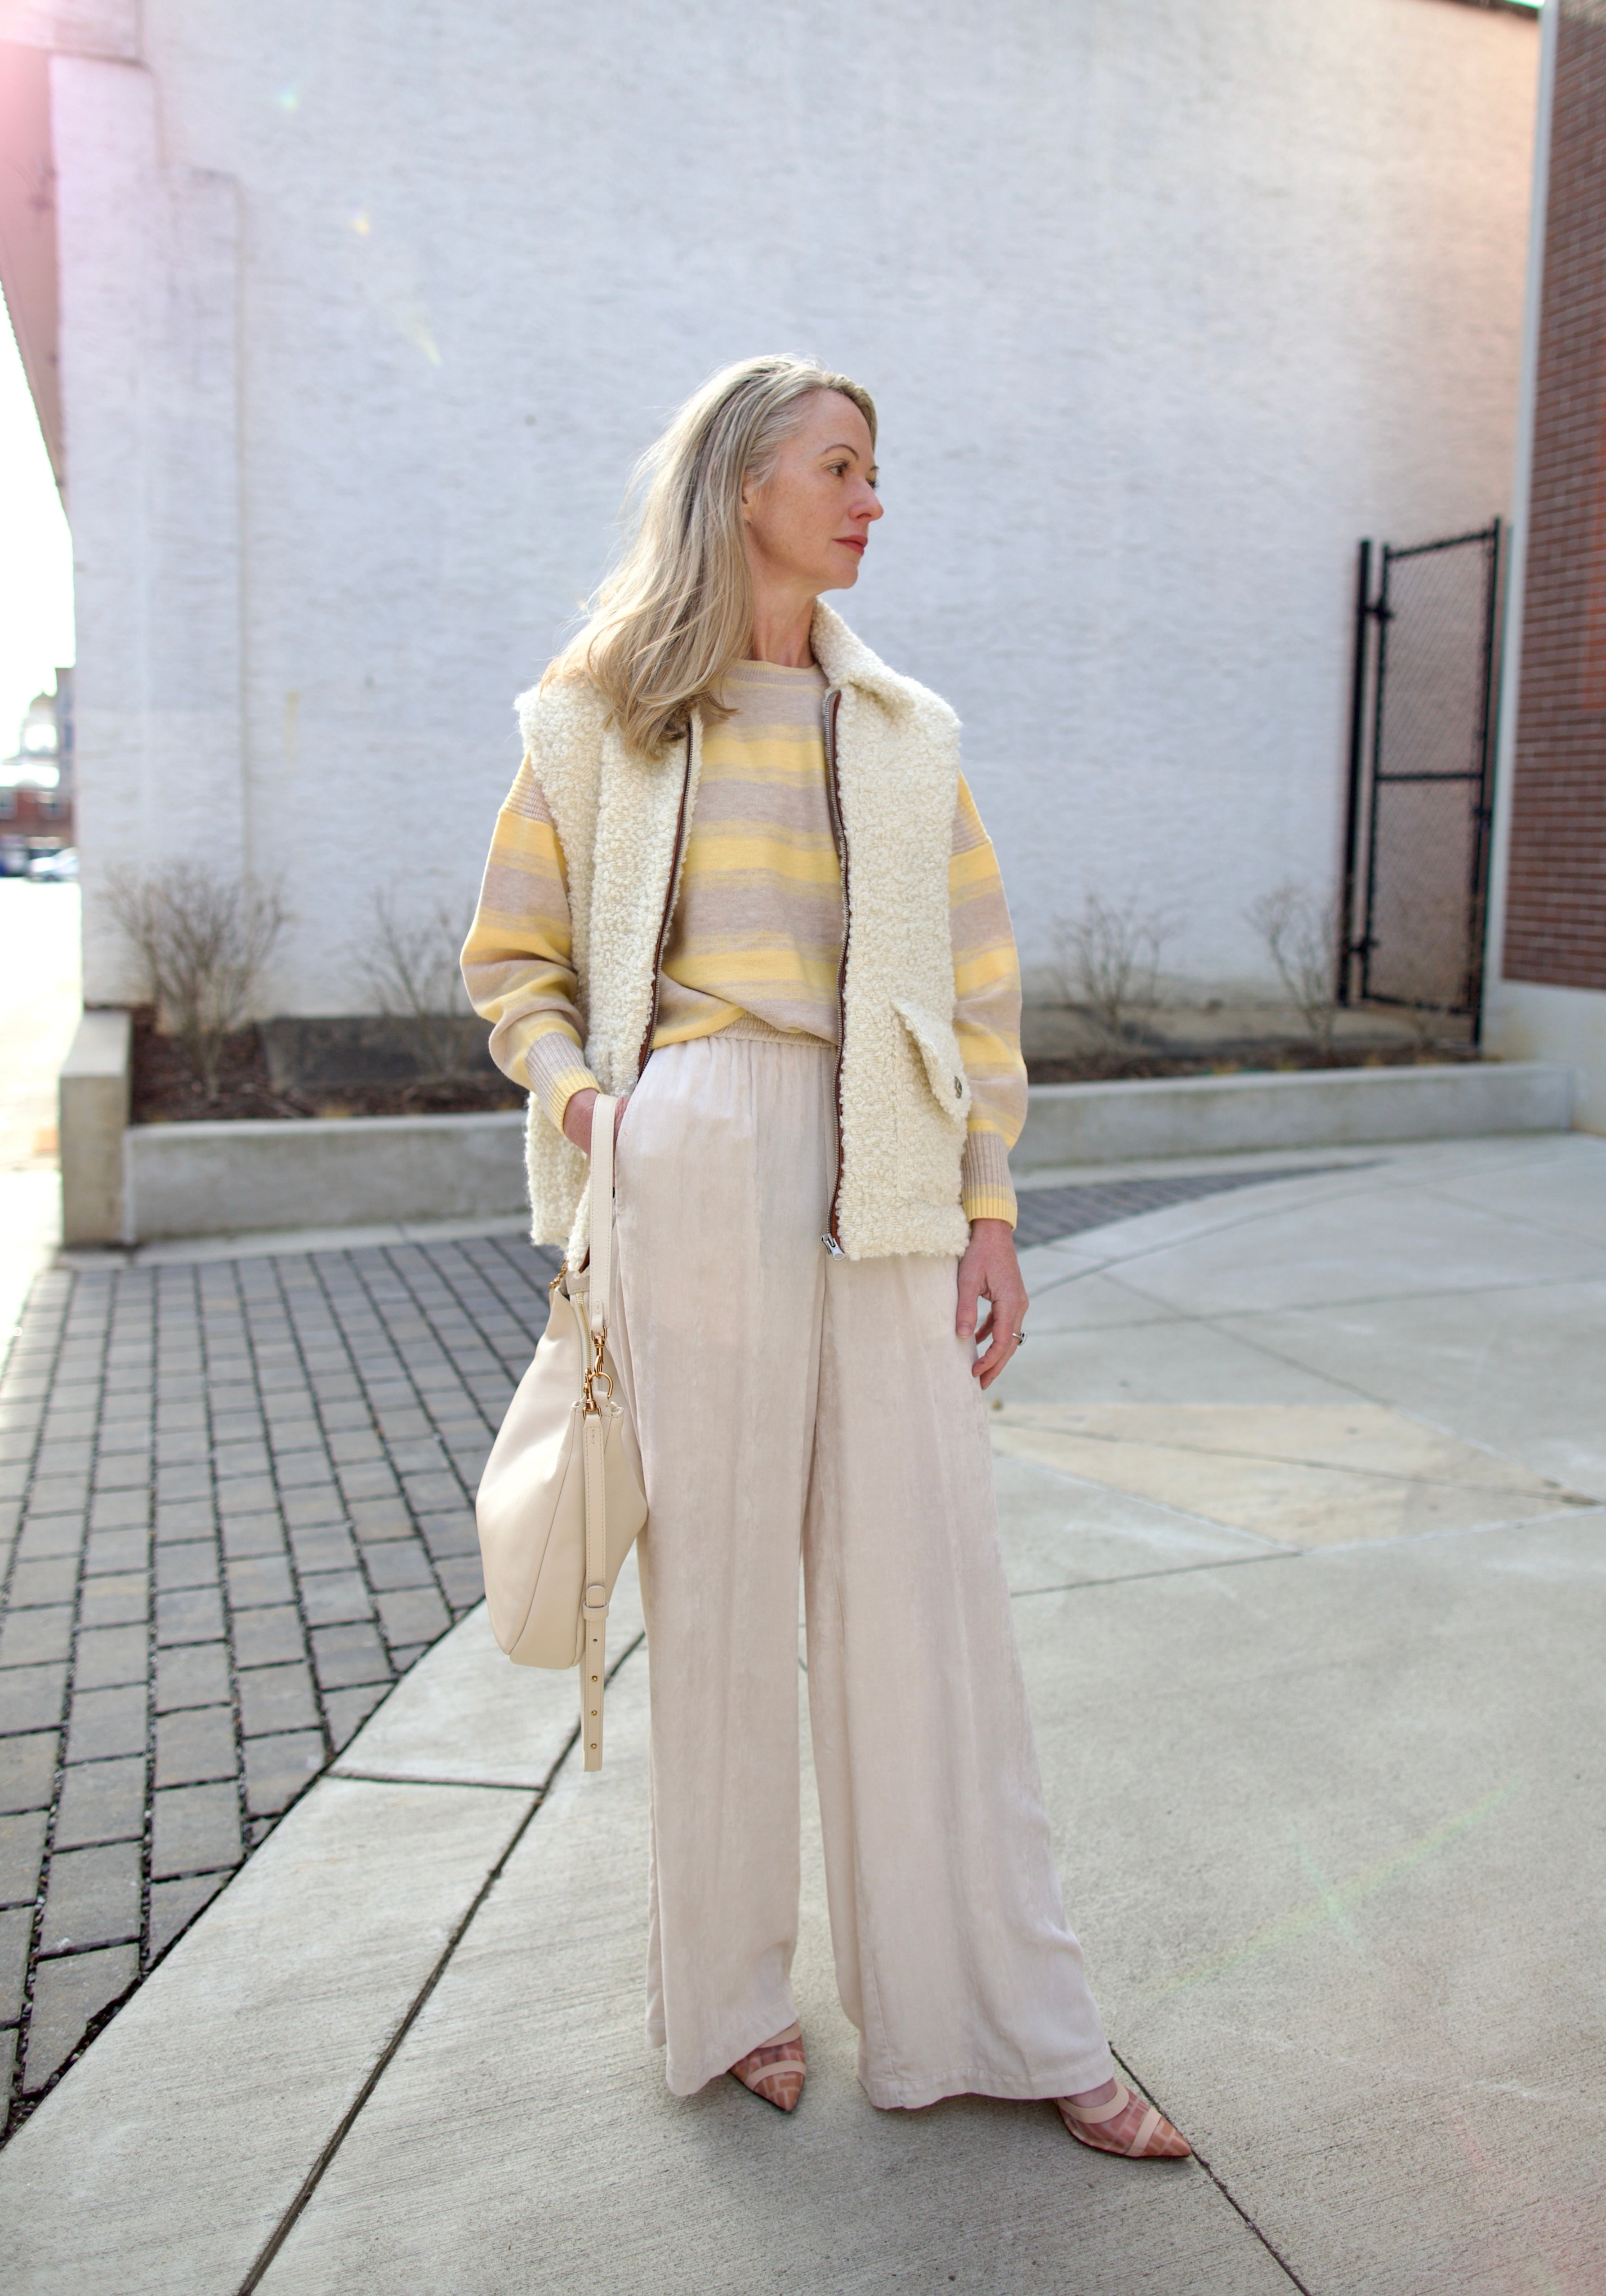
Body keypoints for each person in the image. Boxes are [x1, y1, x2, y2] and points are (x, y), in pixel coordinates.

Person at [463, 355, 1189, 2162]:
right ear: (745, 485)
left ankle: (1001, 2022)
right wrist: (579, 1104)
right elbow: (514, 963)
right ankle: (724, 2004)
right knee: (708, 1606)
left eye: (878, 468)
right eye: (843, 465)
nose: (874, 497)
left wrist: (996, 1205)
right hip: (687, 1157)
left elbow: (978, 992)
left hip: (890, 1180)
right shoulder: (598, 713)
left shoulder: (908, 729)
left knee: (924, 1600)